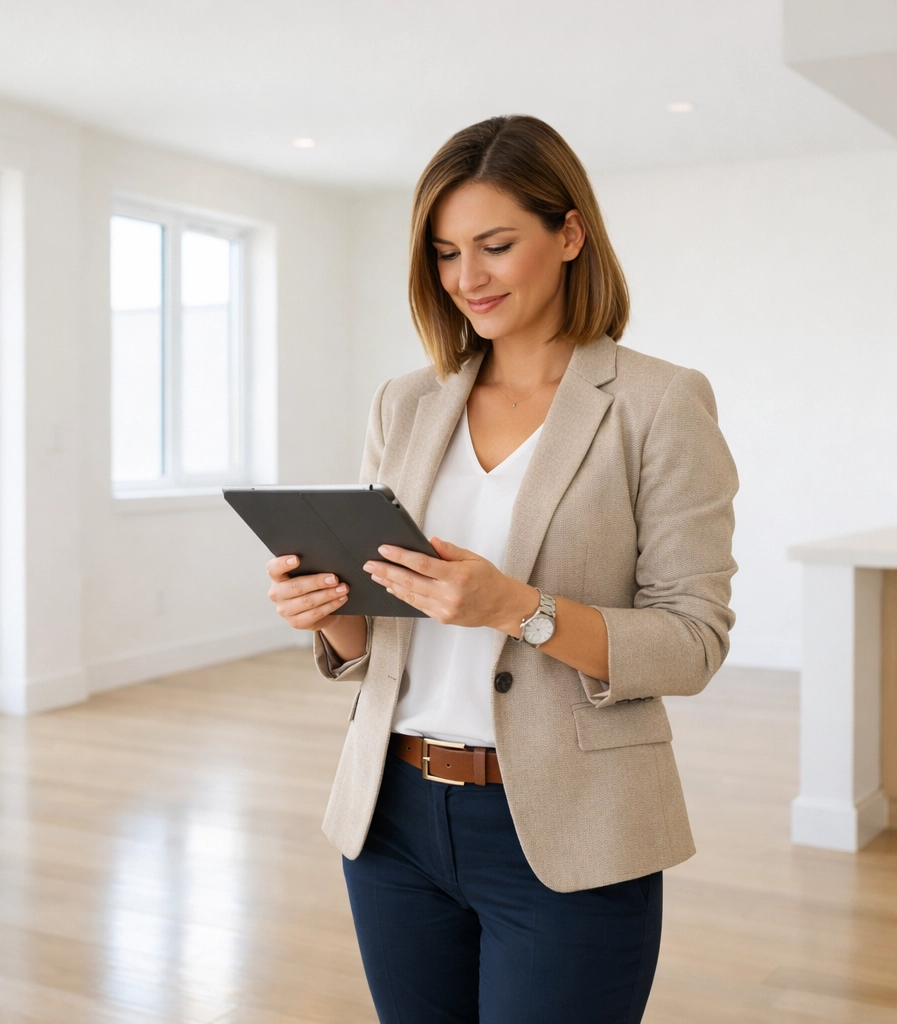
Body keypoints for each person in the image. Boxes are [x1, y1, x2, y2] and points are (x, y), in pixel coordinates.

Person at [263, 115, 737, 1023]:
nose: (466, 278)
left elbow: (692, 643)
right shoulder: (405, 403)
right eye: (444, 253)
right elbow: (374, 645)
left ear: (568, 235)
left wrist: (520, 608)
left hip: (569, 825)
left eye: (494, 245)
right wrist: (326, 609)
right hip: (392, 817)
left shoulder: (657, 403)